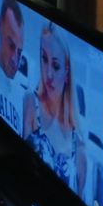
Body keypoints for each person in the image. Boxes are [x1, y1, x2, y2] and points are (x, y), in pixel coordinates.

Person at [23, 22, 87, 197]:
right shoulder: (31, 103)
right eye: (44, 59)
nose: (48, 74)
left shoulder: (79, 146)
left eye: (56, 66)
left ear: (67, 73)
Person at [0, 0, 27, 135]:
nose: (15, 60)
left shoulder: (20, 95)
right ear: (0, 24)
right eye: (11, 46)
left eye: (19, 52)